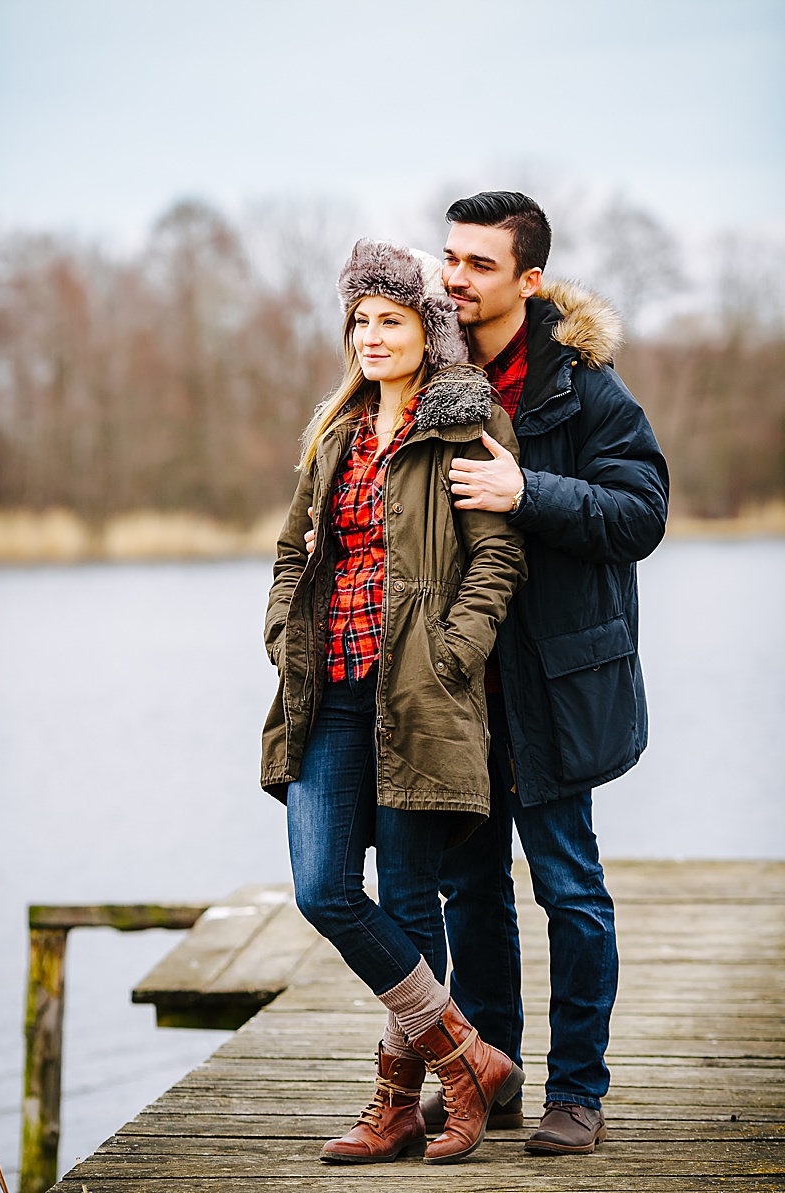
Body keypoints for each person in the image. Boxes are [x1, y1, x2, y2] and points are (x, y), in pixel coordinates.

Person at [261, 239, 527, 1164]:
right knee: (324, 887)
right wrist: (278, 627)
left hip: (419, 690)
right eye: (360, 323)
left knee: (412, 900)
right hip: (327, 690)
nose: (372, 337)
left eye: (391, 321)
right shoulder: (335, 432)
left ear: (427, 330)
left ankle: (395, 1106)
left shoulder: (463, 422)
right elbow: (295, 548)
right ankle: (468, 1057)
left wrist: (456, 652)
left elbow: (498, 554)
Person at [425, 191, 669, 1156]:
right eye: (450, 258)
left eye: (479, 264)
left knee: (569, 889)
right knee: (471, 896)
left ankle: (578, 1092)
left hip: (553, 691)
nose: (455, 278)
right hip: (455, 694)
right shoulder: (426, 370)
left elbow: (641, 513)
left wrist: (528, 491)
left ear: (530, 281)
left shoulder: (584, 386)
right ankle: (499, 1082)